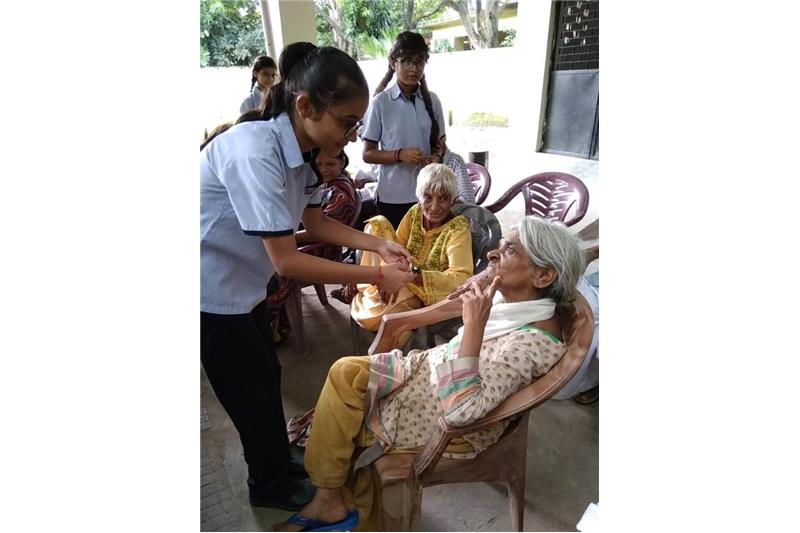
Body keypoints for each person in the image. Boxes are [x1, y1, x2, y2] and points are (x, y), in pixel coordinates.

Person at [200, 42, 416, 512]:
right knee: (249, 392)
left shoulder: (302, 149)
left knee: (265, 377)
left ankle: (278, 462)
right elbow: (286, 260)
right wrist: (374, 275)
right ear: (305, 105)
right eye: (345, 122)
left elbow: (315, 223)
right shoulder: (254, 151)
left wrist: (377, 243)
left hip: (244, 288)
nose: (352, 135)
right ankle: (270, 485)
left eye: (356, 123)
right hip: (209, 293)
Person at [274, 216, 585, 531]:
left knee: (349, 409)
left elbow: (463, 412)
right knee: (345, 372)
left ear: (543, 275)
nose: (492, 254)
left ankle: (330, 499)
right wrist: (483, 283)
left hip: (449, 420)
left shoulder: (532, 344)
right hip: (434, 375)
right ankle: (330, 495)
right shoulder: (517, 302)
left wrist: (473, 328)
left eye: (508, 251)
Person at [350, 164, 473, 337]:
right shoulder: (415, 212)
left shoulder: (458, 228)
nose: (434, 206)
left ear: (453, 200)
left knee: (387, 318)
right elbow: (397, 247)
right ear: (418, 197)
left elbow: (461, 278)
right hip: (400, 277)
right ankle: (376, 286)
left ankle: (379, 298)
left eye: (443, 198)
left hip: (426, 292)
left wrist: (415, 275)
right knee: (378, 223)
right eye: (428, 197)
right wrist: (389, 275)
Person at [360, 31, 447, 229]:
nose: (413, 69)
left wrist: (436, 157)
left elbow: (441, 143)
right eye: (407, 61)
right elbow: (368, 154)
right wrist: (400, 155)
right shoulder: (381, 103)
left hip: (428, 196)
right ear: (393, 63)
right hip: (393, 196)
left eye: (419, 62)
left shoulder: (432, 101)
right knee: (396, 253)